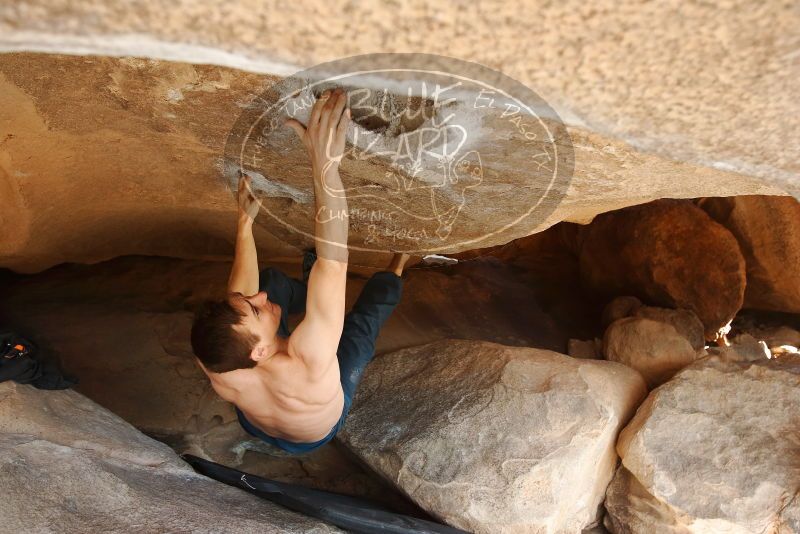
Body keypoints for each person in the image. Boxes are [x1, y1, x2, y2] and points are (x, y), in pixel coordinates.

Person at [190, 88, 409, 454]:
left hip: (255, 421)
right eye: (257, 309)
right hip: (313, 433)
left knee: (272, 281)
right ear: (259, 352)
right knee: (358, 330)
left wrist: (244, 227)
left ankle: (304, 289)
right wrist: (324, 165)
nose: (257, 296)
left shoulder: (215, 358)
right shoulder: (309, 362)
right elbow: (334, 262)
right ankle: (398, 267)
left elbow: (239, 298)